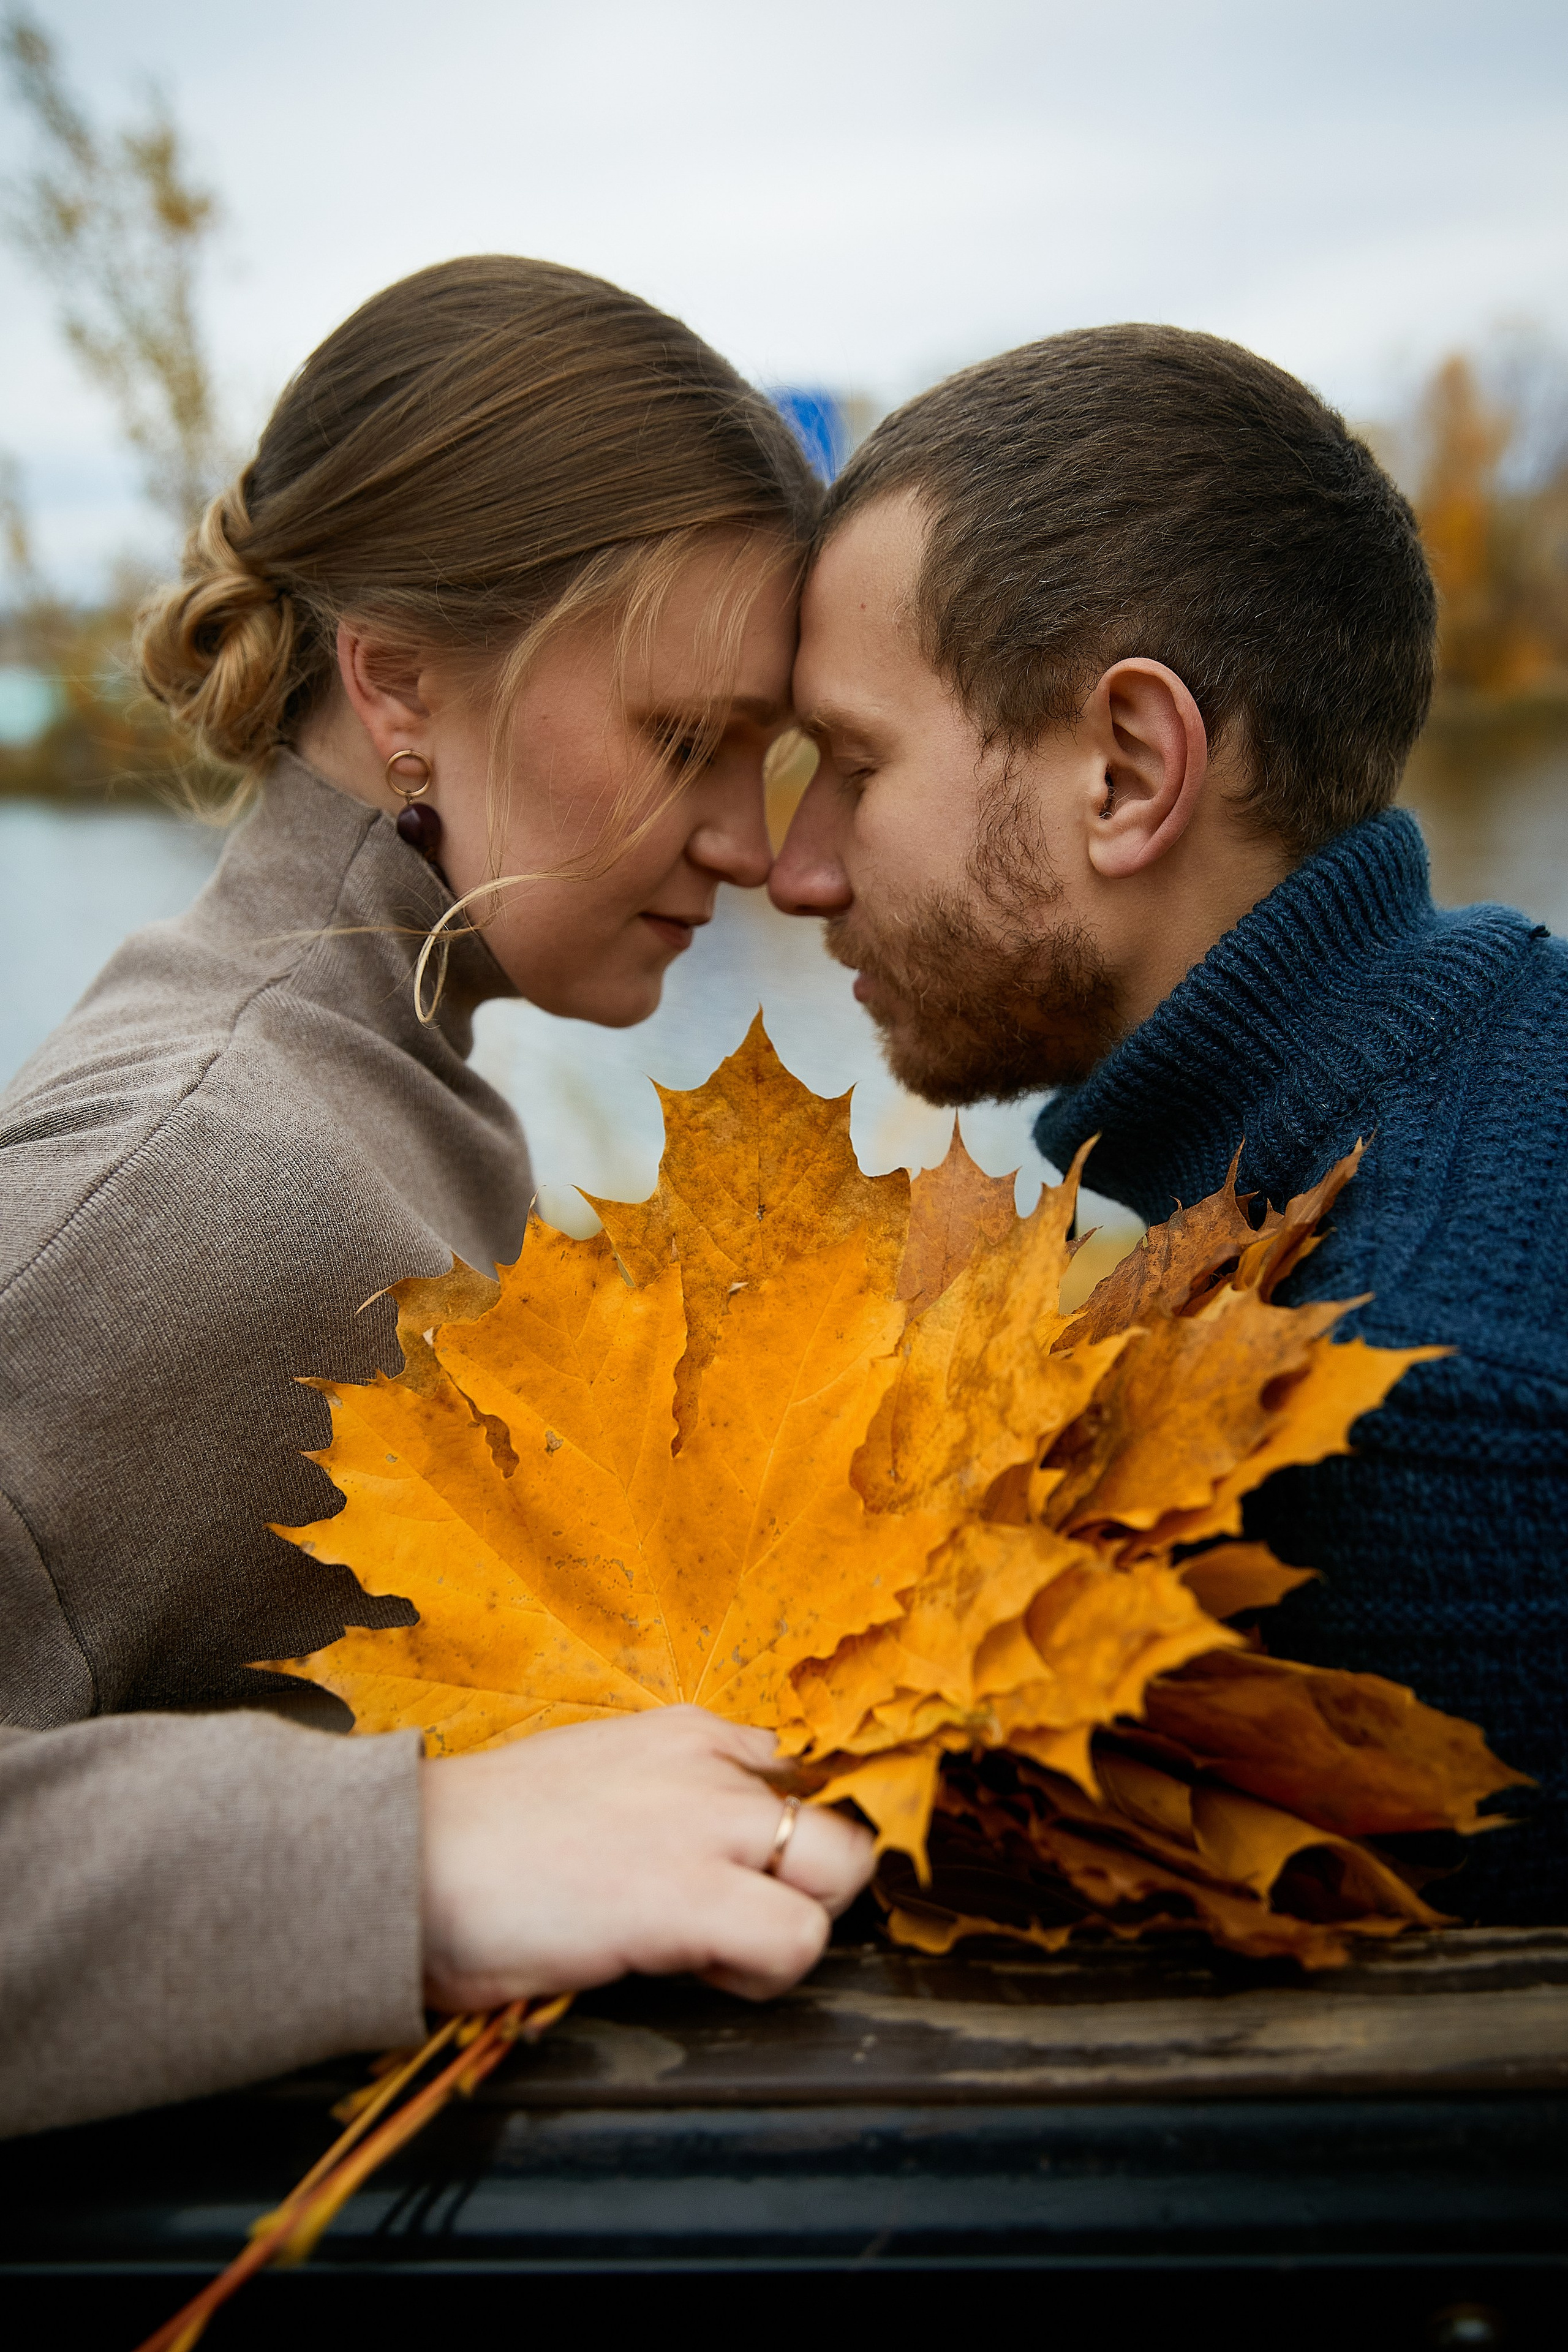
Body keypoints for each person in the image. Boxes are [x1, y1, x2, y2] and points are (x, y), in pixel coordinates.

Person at [0, 255, 872, 2141]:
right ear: (396, 680)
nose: (750, 842)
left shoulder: (383, 1089)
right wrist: (414, 1860)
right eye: (683, 739)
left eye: (772, 750)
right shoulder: (200, 1174)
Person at [769, 323, 1567, 1923]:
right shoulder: (1480, 1067)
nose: (796, 867)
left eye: (854, 764)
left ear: (1129, 774)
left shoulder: (1397, 1419)